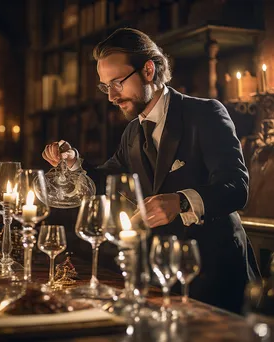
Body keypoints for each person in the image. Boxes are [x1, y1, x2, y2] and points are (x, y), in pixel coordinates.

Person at [42, 28, 260, 314]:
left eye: (117, 82)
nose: (111, 96)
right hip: (160, 278)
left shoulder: (205, 114)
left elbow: (237, 188)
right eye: (105, 86)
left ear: (148, 70)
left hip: (217, 277)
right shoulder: (133, 131)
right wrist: (72, 163)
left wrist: (181, 201)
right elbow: (110, 179)